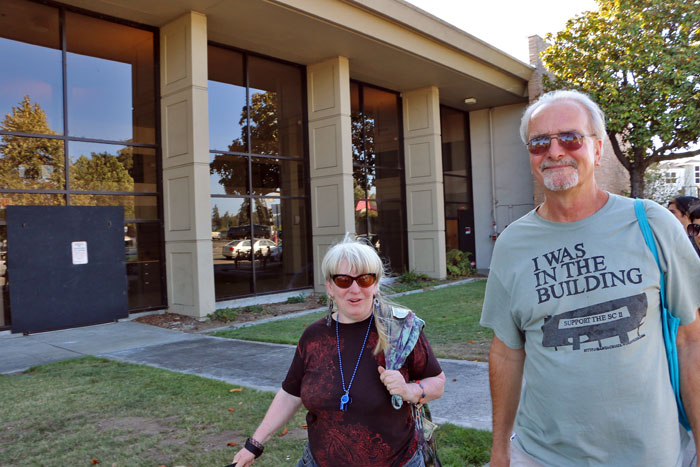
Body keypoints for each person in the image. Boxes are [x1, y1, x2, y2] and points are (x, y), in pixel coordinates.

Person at [480, 89, 700, 466]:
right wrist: (500, 448)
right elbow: (506, 352)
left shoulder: (652, 223)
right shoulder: (512, 243)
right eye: (539, 143)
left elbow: (691, 340)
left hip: (650, 454)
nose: (554, 151)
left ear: (598, 150)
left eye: (570, 137)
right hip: (543, 455)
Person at [232, 235, 446, 467]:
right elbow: (290, 394)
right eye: (344, 280)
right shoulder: (314, 337)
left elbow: (437, 381)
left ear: (375, 285)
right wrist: (254, 445)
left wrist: (409, 390)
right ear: (330, 287)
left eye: (364, 279)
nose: (355, 289)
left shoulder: (400, 331)